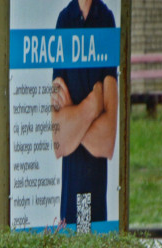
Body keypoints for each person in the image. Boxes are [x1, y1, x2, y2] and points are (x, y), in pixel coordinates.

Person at [50, 0, 117, 232]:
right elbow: (60, 140)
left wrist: (73, 122)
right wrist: (91, 107)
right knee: (73, 243)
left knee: (89, 236)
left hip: (94, 175)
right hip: (72, 173)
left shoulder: (105, 19)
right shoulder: (64, 20)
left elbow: (107, 140)